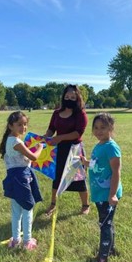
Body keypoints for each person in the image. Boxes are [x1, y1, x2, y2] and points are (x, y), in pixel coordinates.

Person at [81, 112, 122, 262]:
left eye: (103, 128)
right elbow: (98, 163)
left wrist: (112, 195)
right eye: (96, 128)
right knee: (107, 223)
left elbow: (116, 172)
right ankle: (110, 249)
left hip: (107, 195)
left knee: (104, 224)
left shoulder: (111, 147)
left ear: (111, 128)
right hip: (100, 193)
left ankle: (103, 258)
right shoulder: (100, 145)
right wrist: (86, 162)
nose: (98, 131)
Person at [0, 111, 44, 250]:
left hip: (14, 178)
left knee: (16, 211)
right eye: (19, 124)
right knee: (27, 209)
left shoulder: (10, 139)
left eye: (25, 124)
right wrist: (40, 148)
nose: (23, 127)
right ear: (10, 126)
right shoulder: (16, 142)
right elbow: (34, 157)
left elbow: (24, 157)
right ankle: (27, 241)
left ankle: (16, 239)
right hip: (21, 179)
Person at [44, 84, 89, 216]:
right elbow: (51, 128)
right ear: (63, 97)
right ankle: (52, 204)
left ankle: (85, 205)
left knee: (78, 178)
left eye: (73, 97)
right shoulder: (56, 113)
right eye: (67, 96)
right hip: (59, 150)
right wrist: (45, 137)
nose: (69, 99)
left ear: (77, 98)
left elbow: (78, 133)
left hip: (75, 150)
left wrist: (60, 138)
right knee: (56, 177)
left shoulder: (80, 114)